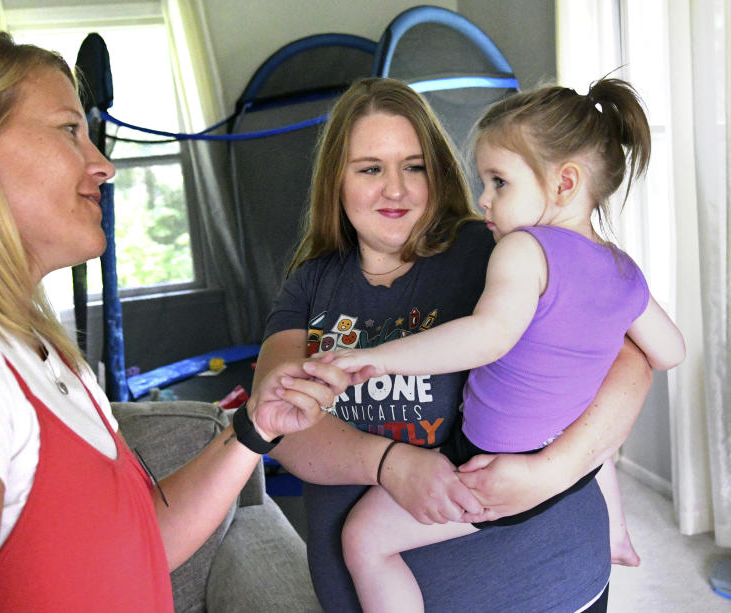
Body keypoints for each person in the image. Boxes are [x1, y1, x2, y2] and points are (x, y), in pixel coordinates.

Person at [0, 32, 347, 612]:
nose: (103, 167)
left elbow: (135, 542)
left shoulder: (27, 350)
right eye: (68, 130)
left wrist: (254, 428)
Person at [254, 77, 655, 612]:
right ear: (337, 181)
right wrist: (390, 465)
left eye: (413, 167)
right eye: (370, 168)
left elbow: (629, 360)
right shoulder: (310, 285)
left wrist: (550, 472)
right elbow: (279, 427)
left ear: (438, 172)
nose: (394, 189)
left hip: (547, 583)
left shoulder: (501, 249)